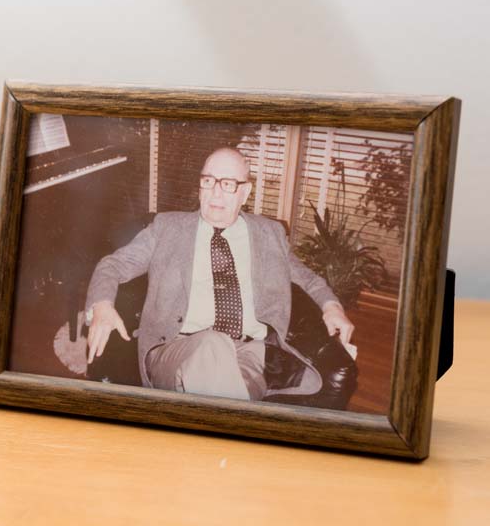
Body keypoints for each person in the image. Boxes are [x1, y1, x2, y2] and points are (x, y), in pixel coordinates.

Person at [84, 147, 355, 401]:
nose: (215, 194)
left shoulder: (269, 234)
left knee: (227, 392)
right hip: (176, 349)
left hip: (251, 354)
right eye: (208, 181)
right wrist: (102, 304)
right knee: (213, 345)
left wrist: (331, 306)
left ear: (245, 192)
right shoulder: (167, 228)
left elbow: (306, 277)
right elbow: (113, 265)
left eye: (228, 184)